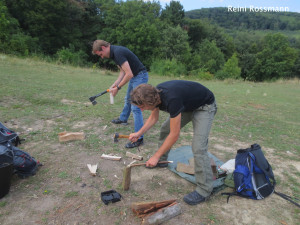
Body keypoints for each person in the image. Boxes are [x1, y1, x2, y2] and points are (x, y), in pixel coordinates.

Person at [128, 80, 217, 205]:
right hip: (188, 105)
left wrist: (155, 155)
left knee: (198, 147)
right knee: (165, 129)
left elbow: (174, 135)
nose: (141, 110)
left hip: (204, 106)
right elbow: (154, 118)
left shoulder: (171, 99)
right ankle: (162, 161)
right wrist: (139, 133)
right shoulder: (154, 94)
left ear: (150, 102)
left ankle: (204, 190)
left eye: (142, 107)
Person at [92, 40, 148, 148]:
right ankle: (123, 118)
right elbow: (123, 72)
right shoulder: (113, 54)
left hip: (140, 76)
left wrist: (118, 88)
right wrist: (115, 84)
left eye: (101, 54)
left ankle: (139, 138)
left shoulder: (118, 52)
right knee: (128, 98)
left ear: (103, 48)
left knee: (135, 106)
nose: (102, 57)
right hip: (135, 76)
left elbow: (129, 74)